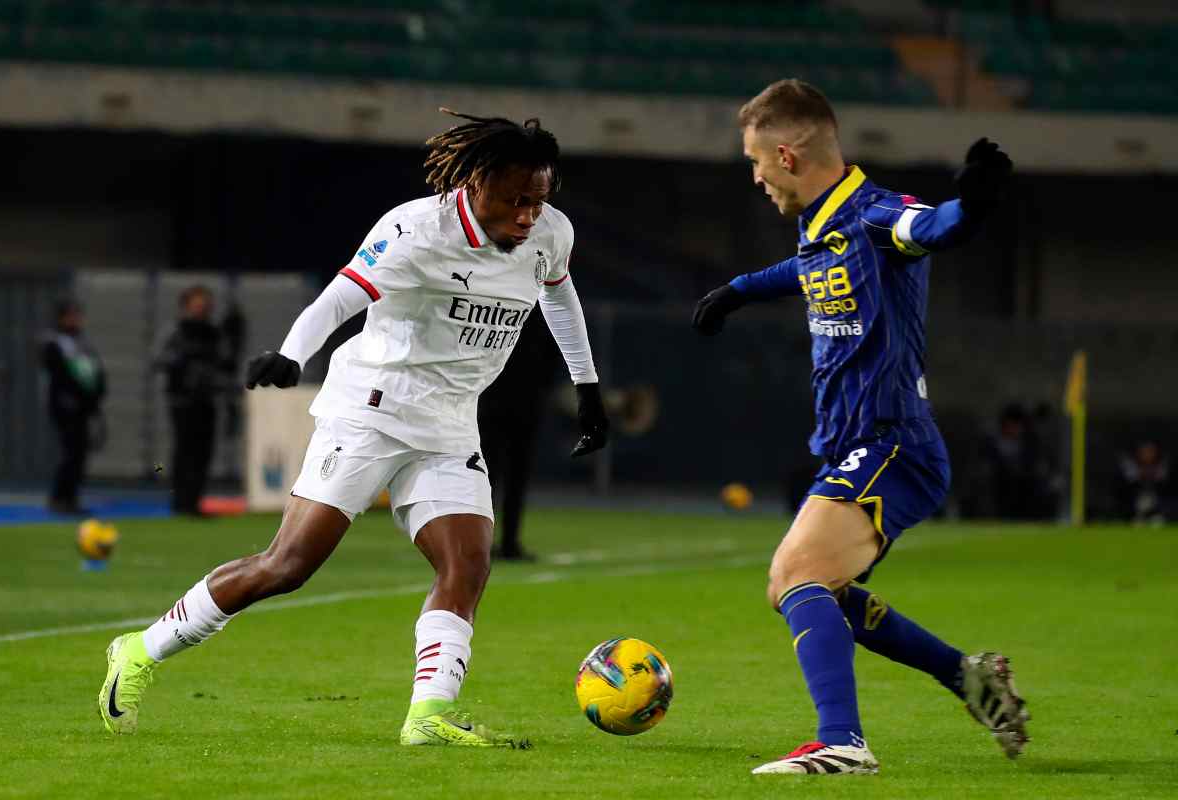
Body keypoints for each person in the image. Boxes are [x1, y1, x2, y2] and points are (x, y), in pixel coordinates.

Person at [98, 110, 609, 746]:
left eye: (540, 199)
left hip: (451, 423)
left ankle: (427, 717)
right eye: (516, 200)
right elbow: (344, 294)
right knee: (288, 566)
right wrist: (292, 352)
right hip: (371, 411)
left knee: (467, 565)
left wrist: (587, 387)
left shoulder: (549, 233)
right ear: (478, 182)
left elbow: (561, 298)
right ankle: (141, 649)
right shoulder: (415, 229)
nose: (529, 215)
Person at [692, 79, 1027, 775]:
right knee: (821, 590)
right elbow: (806, 266)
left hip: (894, 439)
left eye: (756, 161)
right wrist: (740, 291)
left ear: (786, 155)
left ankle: (843, 741)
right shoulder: (823, 224)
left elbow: (929, 228)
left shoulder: (879, 215)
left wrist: (973, 207)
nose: (754, 176)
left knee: (795, 574)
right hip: (857, 445)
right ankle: (968, 677)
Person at [478, 307, 558, 561]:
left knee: (488, 478)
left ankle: (482, 544)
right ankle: (507, 543)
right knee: (512, 478)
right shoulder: (543, 313)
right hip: (524, 402)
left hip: (495, 400)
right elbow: (552, 358)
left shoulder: (498, 305)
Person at [156, 286, 242, 515]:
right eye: (198, 304)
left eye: (206, 305)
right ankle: (180, 502)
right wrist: (182, 359)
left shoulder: (214, 333)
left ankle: (193, 502)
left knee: (203, 453)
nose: (202, 309)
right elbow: (160, 359)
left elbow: (226, 365)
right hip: (182, 401)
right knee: (184, 451)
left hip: (207, 400)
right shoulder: (176, 331)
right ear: (186, 306)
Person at [40, 300, 106, 514]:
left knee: (79, 453)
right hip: (65, 406)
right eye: (71, 316)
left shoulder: (83, 342)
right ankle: (60, 497)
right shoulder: (54, 342)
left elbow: (96, 371)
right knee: (70, 453)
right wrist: (74, 396)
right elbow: (59, 374)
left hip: (84, 406)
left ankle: (71, 497)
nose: (76, 320)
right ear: (61, 318)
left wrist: (95, 396)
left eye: (77, 315)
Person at [1115, 440, 1170, 524]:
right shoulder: (1131, 469)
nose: (1147, 454)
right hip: (1134, 512)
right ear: (1138, 453)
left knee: (1158, 522)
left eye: (1150, 451)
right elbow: (1126, 489)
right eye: (1144, 452)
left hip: (1156, 511)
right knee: (1137, 523)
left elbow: (1163, 486)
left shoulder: (1161, 468)